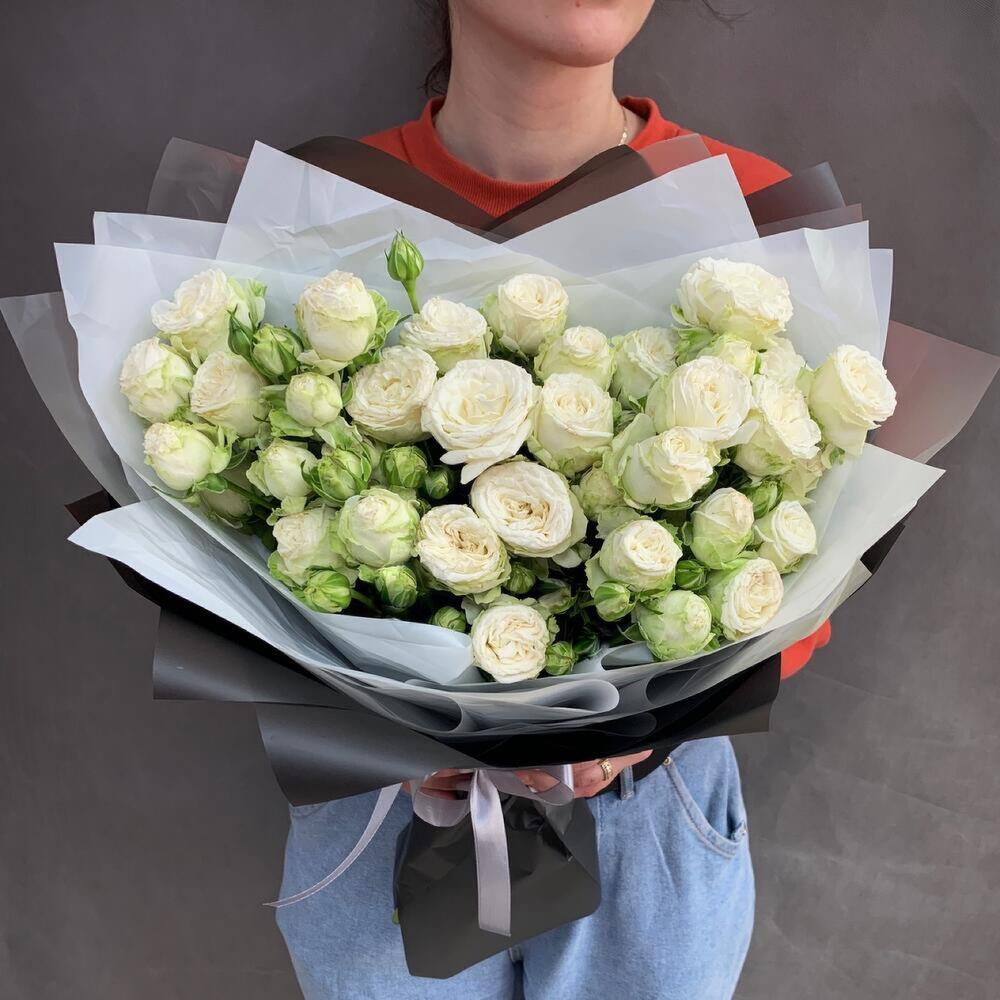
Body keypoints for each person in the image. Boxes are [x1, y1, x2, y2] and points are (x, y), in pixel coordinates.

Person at [277, 3, 830, 997]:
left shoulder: (750, 213)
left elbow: (823, 535)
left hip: (651, 795)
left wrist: (656, 708)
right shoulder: (314, 211)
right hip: (387, 797)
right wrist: (373, 713)